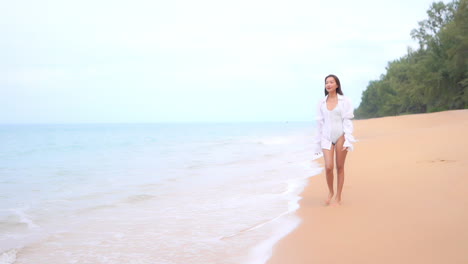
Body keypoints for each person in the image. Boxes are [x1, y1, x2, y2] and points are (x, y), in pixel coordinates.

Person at [313, 74, 355, 206]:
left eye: (331, 82)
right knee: (329, 167)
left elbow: (347, 120)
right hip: (326, 137)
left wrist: (347, 138)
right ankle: (330, 191)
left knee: (340, 167)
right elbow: (320, 123)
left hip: (341, 135)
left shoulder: (345, 101)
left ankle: (338, 196)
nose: (329, 84)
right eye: (327, 83)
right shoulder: (321, 103)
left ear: (337, 85)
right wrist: (318, 140)